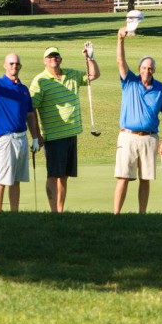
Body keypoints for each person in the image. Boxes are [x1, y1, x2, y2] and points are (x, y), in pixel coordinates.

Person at [30, 44, 100, 213]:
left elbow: (93, 75)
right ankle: (54, 211)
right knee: (53, 175)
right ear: (44, 61)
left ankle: (60, 211)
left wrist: (90, 58)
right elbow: (30, 109)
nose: (53, 58)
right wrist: (37, 135)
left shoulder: (72, 75)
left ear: (60, 59)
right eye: (49, 56)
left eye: (56, 56)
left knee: (64, 176)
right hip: (53, 137)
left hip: (70, 133)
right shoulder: (40, 81)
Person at [114, 27, 162, 214]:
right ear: (139, 69)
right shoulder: (129, 81)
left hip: (150, 138)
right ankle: (116, 215)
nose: (146, 71)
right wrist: (120, 39)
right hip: (128, 136)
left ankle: (142, 215)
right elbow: (120, 61)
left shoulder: (161, 89)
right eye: (143, 68)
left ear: (154, 70)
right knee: (123, 177)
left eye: (150, 68)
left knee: (145, 178)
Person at [0, 44, 41, 212]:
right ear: (5, 65)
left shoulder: (24, 89)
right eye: (11, 63)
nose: (14, 66)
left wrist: (35, 137)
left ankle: (14, 213)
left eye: (17, 64)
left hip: (21, 139)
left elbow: (29, 115)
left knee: (16, 180)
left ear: (20, 66)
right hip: (5, 139)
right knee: (2, 179)